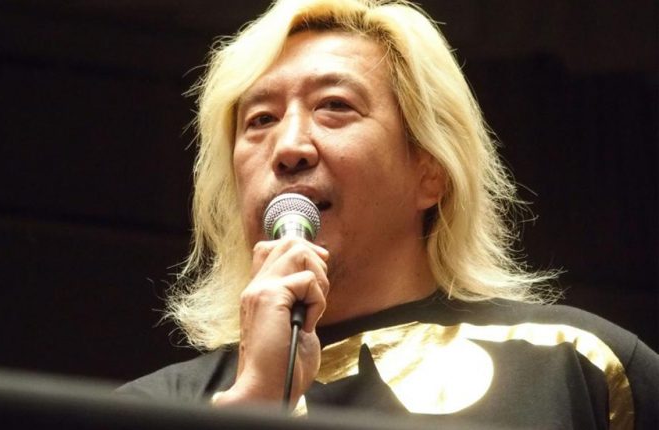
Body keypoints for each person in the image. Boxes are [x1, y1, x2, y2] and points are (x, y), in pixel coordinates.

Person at [118, 0, 658, 428]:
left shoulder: (577, 364)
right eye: (260, 119)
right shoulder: (157, 407)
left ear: (431, 170)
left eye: (334, 106)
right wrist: (254, 399)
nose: (289, 146)